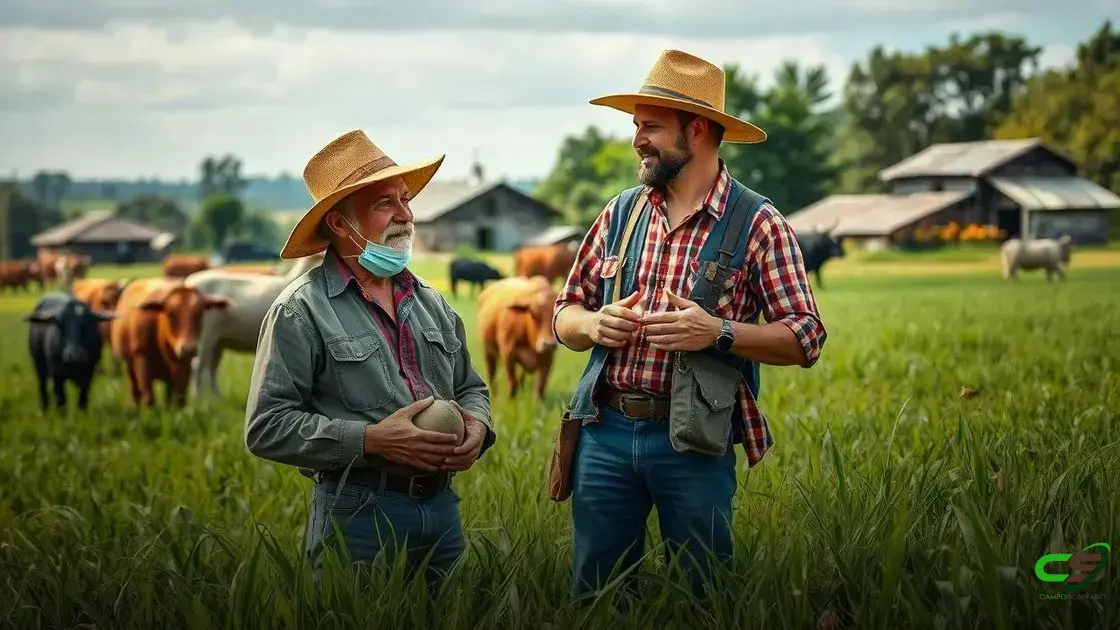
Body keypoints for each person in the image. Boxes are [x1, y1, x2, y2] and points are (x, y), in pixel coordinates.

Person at [552, 50, 828, 599]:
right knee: (597, 598)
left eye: (651, 126)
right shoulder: (620, 213)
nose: (637, 139)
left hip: (694, 443)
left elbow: (806, 337)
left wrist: (719, 333)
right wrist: (594, 325)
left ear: (696, 130)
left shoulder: (759, 224)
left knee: (705, 596)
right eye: (636, 126)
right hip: (603, 433)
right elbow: (564, 314)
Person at [243, 130, 494, 588]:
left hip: (441, 513)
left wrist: (477, 426)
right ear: (339, 224)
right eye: (385, 204)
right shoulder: (300, 310)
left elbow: (471, 387)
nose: (406, 215)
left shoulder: (431, 302)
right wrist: (373, 440)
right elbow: (266, 426)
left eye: (405, 199)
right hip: (357, 515)